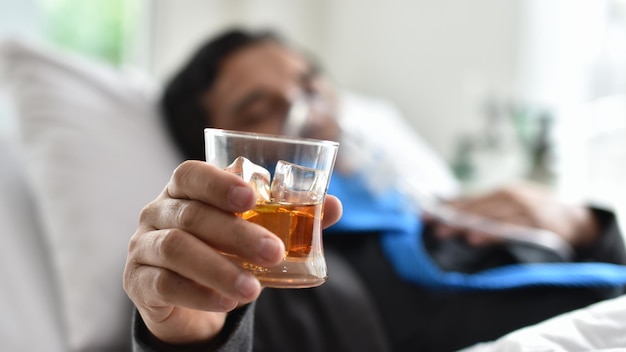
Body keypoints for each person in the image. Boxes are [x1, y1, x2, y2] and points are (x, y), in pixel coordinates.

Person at [123, 28, 626, 351]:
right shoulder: (272, 270)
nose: (308, 111)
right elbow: (218, 327)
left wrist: (580, 223)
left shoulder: (431, 213)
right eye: (260, 111)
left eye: (310, 86)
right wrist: (191, 335)